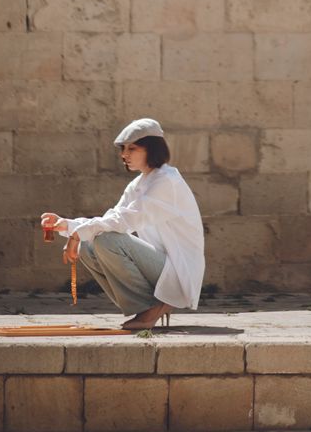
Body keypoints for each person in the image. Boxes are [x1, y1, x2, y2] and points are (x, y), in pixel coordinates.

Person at [40, 117, 204, 329]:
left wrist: (78, 232)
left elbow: (126, 221)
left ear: (151, 149)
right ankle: (148, 306)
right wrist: (66, 225)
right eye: (123, 149)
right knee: (88, 245)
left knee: (107, 240)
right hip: (159, 266)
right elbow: (114, 217)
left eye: (132, 148)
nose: (124, 155)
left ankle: (154, 307)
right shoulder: (139, 183)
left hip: (178, 271)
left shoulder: (167, 180)